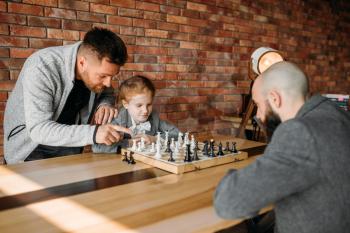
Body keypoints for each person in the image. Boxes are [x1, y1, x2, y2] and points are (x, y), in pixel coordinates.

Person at [214, 61, 350, 233]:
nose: (258, 115)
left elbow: (228, 202)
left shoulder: (299, 132)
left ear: (274, 98)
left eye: (257, 105)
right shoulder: (336, 113)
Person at [4, 27, 132, 164]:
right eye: (103, 76)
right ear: (82, 63)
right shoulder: (42, 67)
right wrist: (94, 133)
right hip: (29, 154)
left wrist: (104, 104)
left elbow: (107, 92)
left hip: (69, 153)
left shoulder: (92, 68)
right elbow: (38, 129)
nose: (108, 83)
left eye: (112, 76)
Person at [93, 75, 180, 153]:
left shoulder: (153, 118)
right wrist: (129, 143)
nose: (145, 111)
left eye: (149, 104)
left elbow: (177, 133)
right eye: (139, 105)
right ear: (126, 104)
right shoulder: (117, 119)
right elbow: (98, 147)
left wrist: (155, 139)